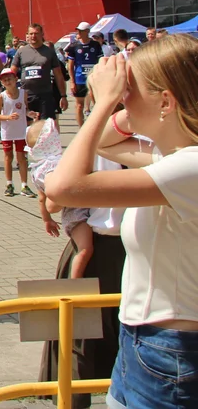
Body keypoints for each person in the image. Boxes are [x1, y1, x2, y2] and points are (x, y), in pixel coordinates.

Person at [46, 37, 198, 409]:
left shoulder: (187, 167)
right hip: (146, 343)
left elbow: (63, 187)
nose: (125, 96)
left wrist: (103, 105)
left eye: (132, 90)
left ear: (166, 101)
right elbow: (105, 146)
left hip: (169, 348)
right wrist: (122, 106)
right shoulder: (173, 160)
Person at [27, 118, 95, 278]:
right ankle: (74, 282)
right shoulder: (55, 166)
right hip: (77, 215)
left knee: (84, 248)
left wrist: (47, 220)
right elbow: (50, 199)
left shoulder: (39, 169)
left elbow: (41, 199)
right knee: (85, 249)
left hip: (76, 212)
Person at [13, 23, 68, 122]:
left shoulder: (49, 52)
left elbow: (58, 75)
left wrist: (63, 96)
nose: (33, 36)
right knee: (28, 127)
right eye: (31, 33)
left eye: (36, 33)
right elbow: (12, 73)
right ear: (28, 35)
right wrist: (12, 94)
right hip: (27, 95)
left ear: (42, 34)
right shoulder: (21, 52)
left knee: (45, 126)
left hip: (45, 95)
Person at [0, 68, 35, 198]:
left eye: (10, 78)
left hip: (21, 131)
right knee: (8, 157)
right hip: (7, 131)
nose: (8, 81)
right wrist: (8, 117)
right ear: (2, 82)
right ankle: (9, 184)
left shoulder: (23, 94)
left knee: (22, 158)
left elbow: (26, 109)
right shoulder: (1, 96)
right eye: (4, 80)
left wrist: (31, 114)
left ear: (15, 79)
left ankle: (24, 185)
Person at [66, 22, 103, 129]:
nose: (79, 32)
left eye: (81, 30)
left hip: (93, 79)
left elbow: (100, 61)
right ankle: (81, 128)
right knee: (79, 105)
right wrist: (72, 82)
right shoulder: (74, 46)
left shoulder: (95, 45)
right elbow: (70, 65)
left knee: (97, 104)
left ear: (87, 31)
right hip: (79, 80)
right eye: (78, 30)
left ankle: (96, 127)